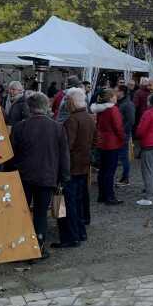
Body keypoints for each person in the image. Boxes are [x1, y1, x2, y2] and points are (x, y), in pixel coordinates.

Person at [8, 92, 70, 258]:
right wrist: (64, 178)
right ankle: (39, 246)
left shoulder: (20, 127)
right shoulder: (57, 128)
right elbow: (64, 156)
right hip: (47, 176)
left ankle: (20, 248)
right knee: (41, 214)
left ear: (29, 108)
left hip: (24, 175)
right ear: (46, 107)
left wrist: (8, 174)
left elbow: (11, 153)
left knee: (22, 212)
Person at [56, 88, 96, 248]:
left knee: (69, 203)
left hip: (72, 168)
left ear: (72, 102)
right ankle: (80, 232)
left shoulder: (72, 120)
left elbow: (67, 146)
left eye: (67, 101)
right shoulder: (88, 118)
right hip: (83, 166)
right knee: (78, 201)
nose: (66, 103)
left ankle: (71, 237)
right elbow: (94, 142)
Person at [91, 89, 125, 205]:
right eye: (114, 96)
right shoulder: (113, 110)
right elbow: (118, 127)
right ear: (111, 98)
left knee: (102, 170)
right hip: (112, 142)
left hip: (102, 142)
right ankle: (109, 196)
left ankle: (102, 195)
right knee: (110, 171)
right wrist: (123, 138)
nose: (116, 98)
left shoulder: (101, 109)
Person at [115, 84, 135, 186]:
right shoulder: (120, 103)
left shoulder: (127, 104)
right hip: (119, 133)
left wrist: (123, 132)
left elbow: (131, 120)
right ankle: (122, 177)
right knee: (120, 156)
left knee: (124, 156)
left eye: (116, 90)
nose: (115, 92)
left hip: (123, 134)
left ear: (121, 92)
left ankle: (125, 178)